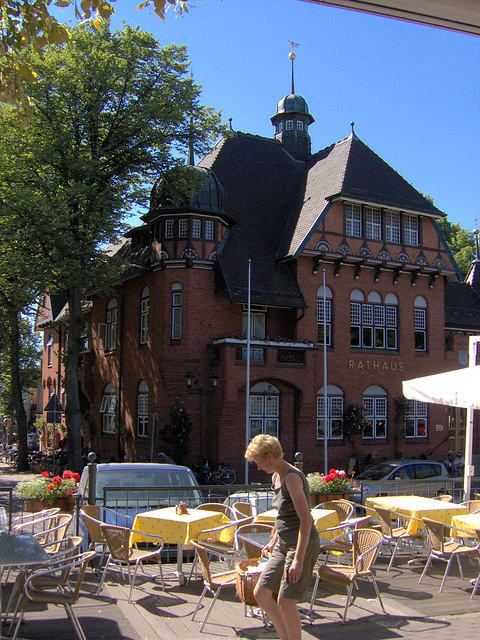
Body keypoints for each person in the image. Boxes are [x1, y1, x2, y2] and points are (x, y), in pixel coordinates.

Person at [245, 434, 320, 640]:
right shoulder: (275, 477)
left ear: (270, 456)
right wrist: (273, 540)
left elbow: (306, 520)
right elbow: (284, 515)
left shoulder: (292, 478)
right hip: (283, 544)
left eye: (259, 462)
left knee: (286, 602)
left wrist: (298, 559)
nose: (258, 468)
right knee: (261, 594)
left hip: (301, 545)